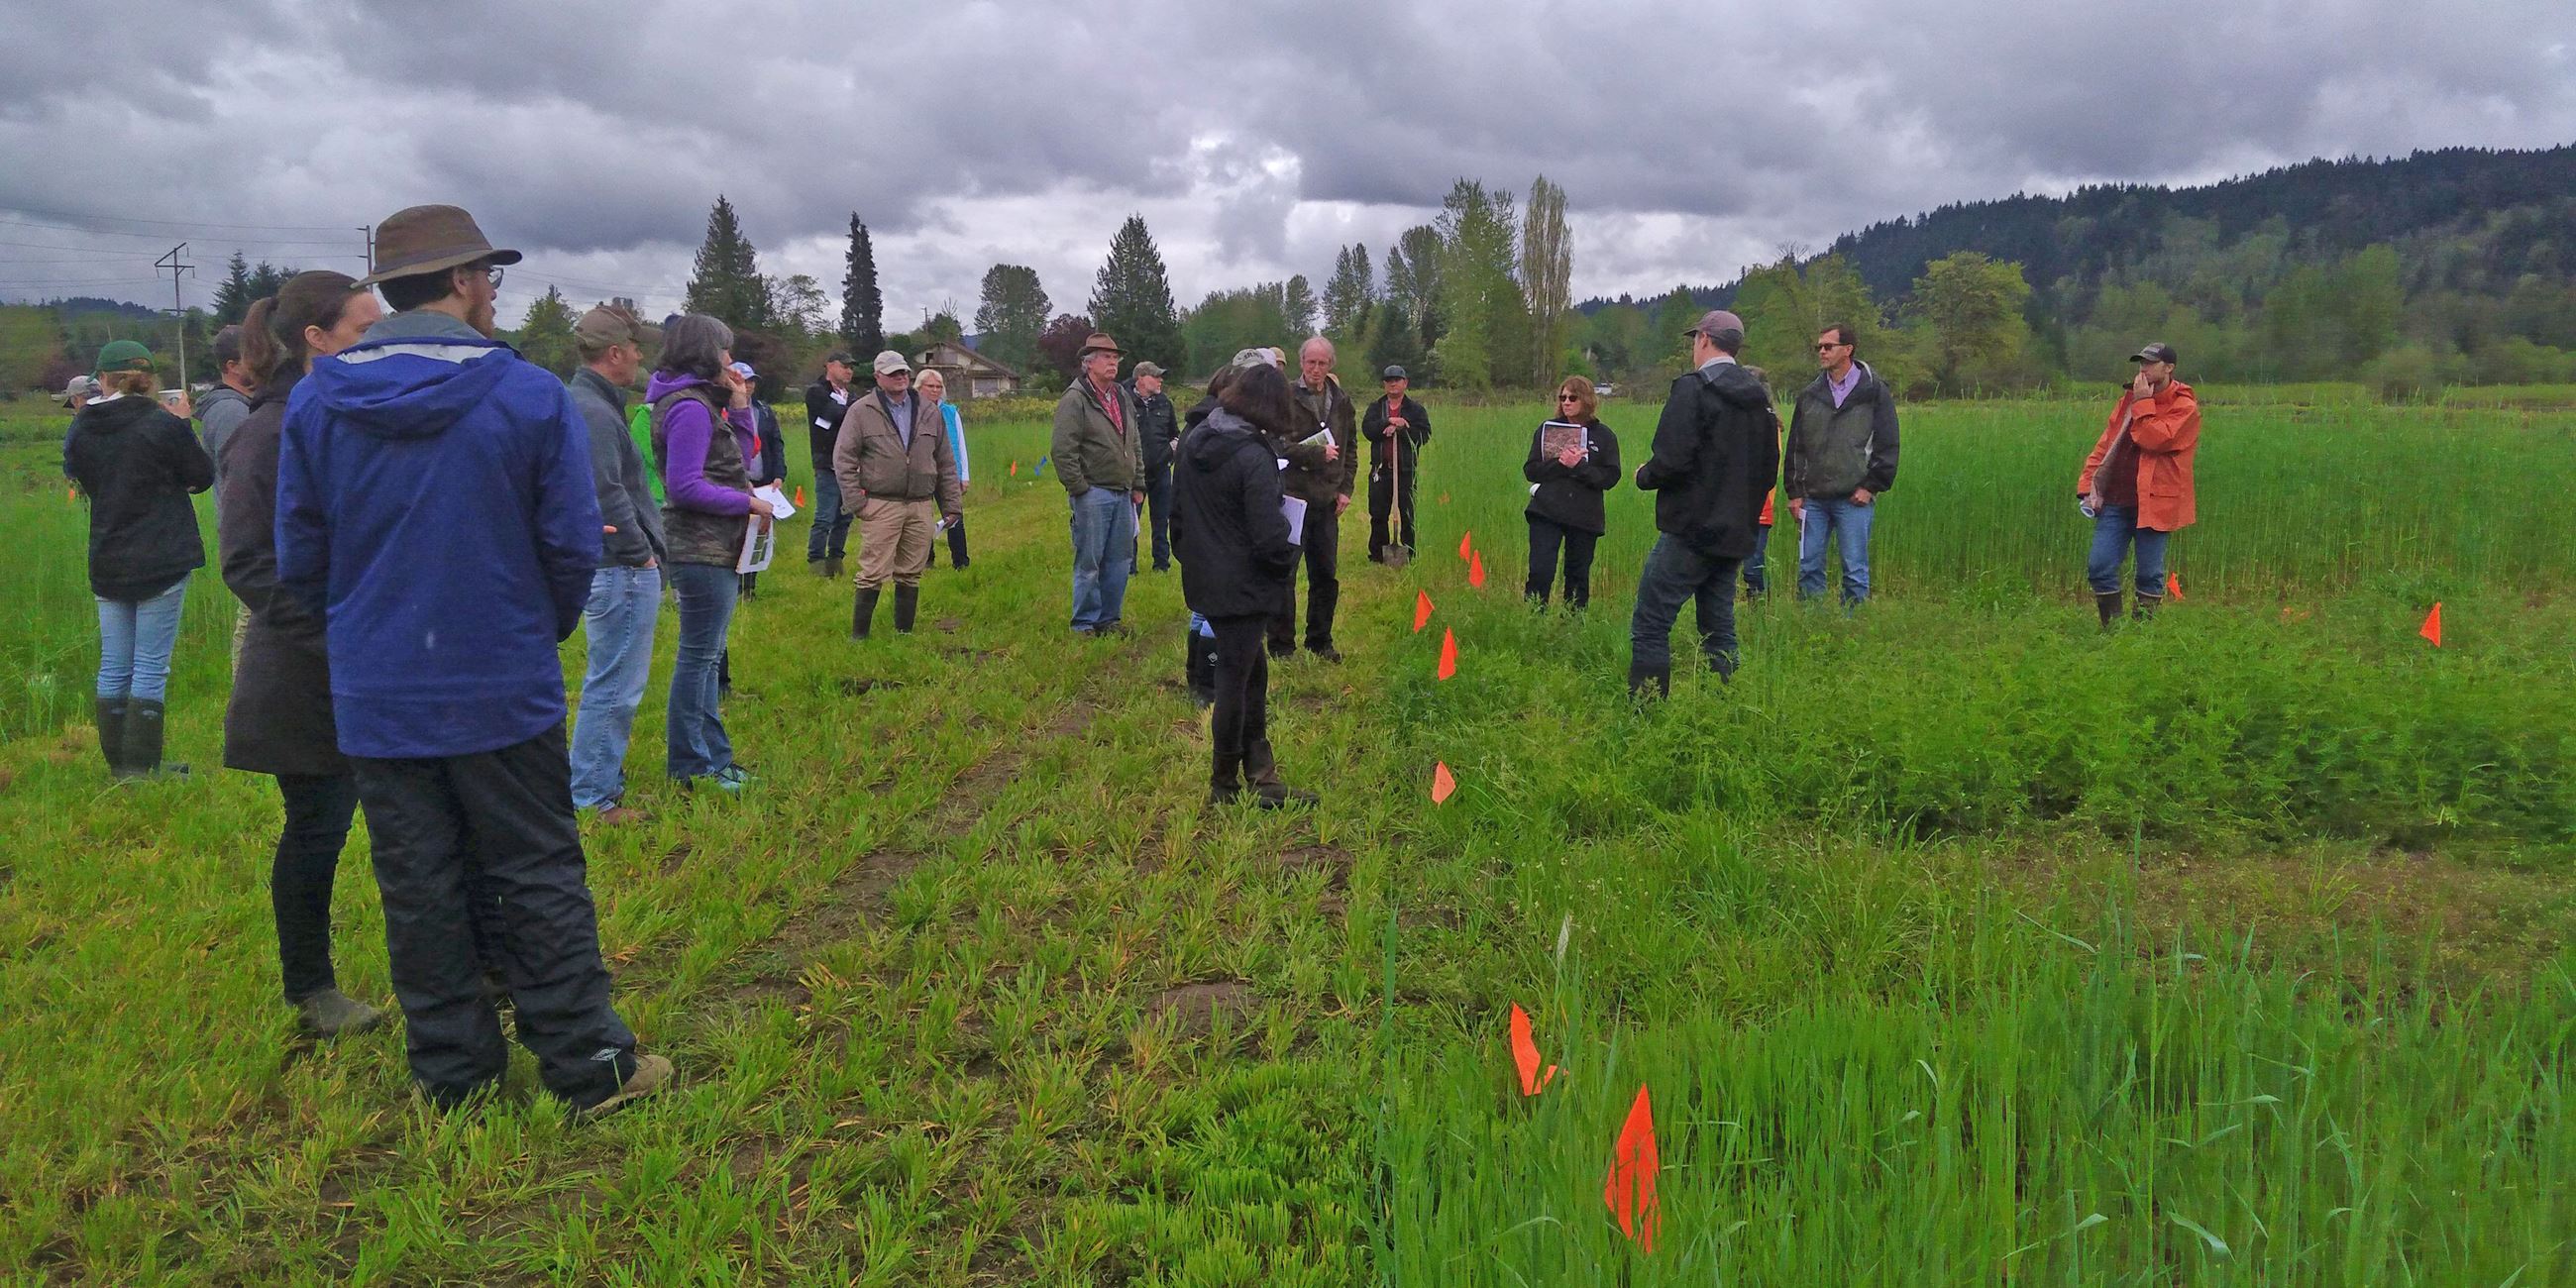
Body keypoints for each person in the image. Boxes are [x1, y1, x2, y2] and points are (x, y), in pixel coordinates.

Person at [277, 203, 666, 1113]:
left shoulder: (317, 399)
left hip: (377, 691)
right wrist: (533, 631)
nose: (494, 291)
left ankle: (453, 1077)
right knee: (534, 870)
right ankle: (587, 1065)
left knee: (417, 882)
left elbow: (301, 557)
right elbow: (572, 543)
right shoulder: (527, 394)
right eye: (489, 275)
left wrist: (365, 637)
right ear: (459, 281)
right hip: (502, 679)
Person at [218, 270, 389, 1036]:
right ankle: (311, 990)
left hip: (369, 658)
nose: (378, 340)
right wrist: (342, 638)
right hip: (303, 672)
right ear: (316, 339)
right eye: (362, 328)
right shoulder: (270, 430)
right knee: (318, 825)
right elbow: (249, 563)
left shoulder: (351, 414)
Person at [64, 339, 211, 780]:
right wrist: (183, 426)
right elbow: (201, 477)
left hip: (108, 555)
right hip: (161, 557)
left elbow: (78, 472)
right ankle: (141, 770)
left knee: (114, 662)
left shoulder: (82, 427)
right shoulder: (162, 425)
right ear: (149, 380)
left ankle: (119, 769)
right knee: (150, 665)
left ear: (103, 378)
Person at [1173, 360, 1315, 807]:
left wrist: (1196, 561)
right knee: (1235, 681)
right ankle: (1224, 785)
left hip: (1208, 579)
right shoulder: (1253, 455)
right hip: (1244, 585)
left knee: (1253, 673)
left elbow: (1177, 516)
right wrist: (1288, 557)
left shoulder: (1197, 439)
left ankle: (1260, 770)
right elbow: (1269, 534)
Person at [648, 314, 777, 787]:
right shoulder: (688, 408)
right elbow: (684, 487)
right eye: (724, 350)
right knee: (698, 659)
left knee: (705, 656)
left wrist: (740, 408)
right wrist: (748, 502)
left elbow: (732, 463)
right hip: (698, 549)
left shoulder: (704, 403)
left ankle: (712, 759)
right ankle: (692, 764)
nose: (730, 360)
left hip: (717, 547)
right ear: (705, 353)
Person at [1627, 310, 1781, 698]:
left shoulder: (1692, 389)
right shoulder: (1758, 399)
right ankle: (1728, 705)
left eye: (1694, 339)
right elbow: (1767, 471)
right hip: (1736, 535)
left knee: (1651, 623)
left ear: (1704, 340)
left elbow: (1672, 459)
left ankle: (1645, 713)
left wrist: (1645, 475)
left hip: (1690, 531)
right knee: (1719, 628)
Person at [565, 304, 666, 822]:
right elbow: (604, 491)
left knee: (614, 679)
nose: (641, 355)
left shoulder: (590, 403)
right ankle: (592, 795)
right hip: (619, 568)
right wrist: (640, 554)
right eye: (634, 347)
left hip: (615, 566)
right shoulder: (594, 412)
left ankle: (595, 780)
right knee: (616, 684)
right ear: (614, 354)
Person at [835, 350, 963, 637]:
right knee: (872, 571)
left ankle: (903, 632)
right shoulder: (862, 411)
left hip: (919, 504)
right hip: (881, 503)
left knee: (911, 570)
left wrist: (951, 505)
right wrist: (859, 504)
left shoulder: (930, 411)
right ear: (878, 377)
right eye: (893, 373)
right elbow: (843, 459)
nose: (900, 377)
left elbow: (944, 460)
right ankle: (860, 637)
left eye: (904, 372)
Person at [2079, 342, 2200, 625]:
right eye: (2140, 364)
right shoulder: (2129, 399)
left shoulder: (2185, 406)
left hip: (2156, 501)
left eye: (2150, 363)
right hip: (2116, 500)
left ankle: (2143, 635)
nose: (2143, 369)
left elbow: (2155, 439)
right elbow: (2107, 444)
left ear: (2169, 368)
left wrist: (2143, 403)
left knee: (2149, 574)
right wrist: (2088, 486)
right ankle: (2113, 630)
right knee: (2100, 566)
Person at [1783, 324, 1900, 606]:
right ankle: (1813, 622)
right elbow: (1796, 447)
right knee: (1809, 565)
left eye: (1828, 346)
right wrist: (1795, 492)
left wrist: (1871, 486)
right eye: (1819, 347)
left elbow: (1887, 442)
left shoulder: (1873, 391)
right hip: (1813, 498)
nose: (1822, 352)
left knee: (1854, 568)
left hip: (1854, 497)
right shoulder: (1810, 395)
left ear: (1847, 350)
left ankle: (1853, 626)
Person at [1051, 333, 1145, 636]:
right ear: (1088, 363)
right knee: (1090, 561)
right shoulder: (1075, 398)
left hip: (1122, 491)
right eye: (1106, 357)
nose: (1113, 363)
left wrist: (1138, 482)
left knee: (1120, 561)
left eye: (1115, 358)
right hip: (1093, 492)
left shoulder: (1120, 395)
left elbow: (1134, 441)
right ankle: (1084, 623)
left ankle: (1109, 619)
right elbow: (1063, 450)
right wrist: (1080, 488)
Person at [1276, 336, 1356, 661]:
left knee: (1325, 575)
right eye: (1311, 362)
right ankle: (1282, 646)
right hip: (1293, 499)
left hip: (1326, 502)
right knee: (1285, 574)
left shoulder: (1342, 400)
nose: (1316, 369)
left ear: (1331, 365)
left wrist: (1345, 489)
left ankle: (1320, 641)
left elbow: (1350, 449)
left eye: (1323, 363)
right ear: (1301, 363)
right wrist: (1315, 453)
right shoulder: (1285, 397)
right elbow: (1277, 445)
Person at [1524, 376, 1622, 607]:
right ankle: (1533, 620)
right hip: (1546, 510)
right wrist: (1561, 463)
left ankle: (1572, 626)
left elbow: (1610, 477)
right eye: (1563, 397)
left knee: (1577, 575)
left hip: (1584, 514)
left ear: (1586, 399)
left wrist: (1580, 468)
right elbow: (1531, 470)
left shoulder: (1604, 436)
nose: (1566, 402)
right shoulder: (1548, 429)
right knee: (1541, 570)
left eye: (1572, 397)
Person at [1361, 365, 1432, 563]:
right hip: (1381, 471)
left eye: (1397, 380)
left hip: (1405, 471)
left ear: (1405, 383)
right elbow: (1368, 430)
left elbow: (1423, 435)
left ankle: (1409, 552)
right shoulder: (1376, 408)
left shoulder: (1415, 410)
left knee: (1408, 514)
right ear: (1384, 384)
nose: (1393, 383)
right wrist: (1388, 422)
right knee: (1378, 514)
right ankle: (1377, 554)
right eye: (1388, 380)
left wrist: (1402, 428)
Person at [804, 353, 858, 577]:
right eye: (844, 366)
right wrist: (849, 414)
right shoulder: (816, 392)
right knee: (824, 516)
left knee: (845, 516)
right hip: (826, 463)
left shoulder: (852, 395)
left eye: (851, 367)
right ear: (829, 366)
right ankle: (816, 562)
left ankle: (836, 560)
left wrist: (846, 414)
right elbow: (834, 414)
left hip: (850, 464)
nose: (849, 371)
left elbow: (850, 418)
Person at [735, 361, 786, 601]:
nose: (749, 385)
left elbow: (776, 443)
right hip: (735, 483)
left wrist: (779, 473)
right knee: (736, 535)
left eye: (752, 380)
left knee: (758, 534)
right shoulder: (721, 410)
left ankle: (749, 587)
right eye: (744, 380)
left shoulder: (764, 410)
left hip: (763, 481)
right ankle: (733, 586)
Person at [1126, 361, 1180, 572]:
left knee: (1161, 521)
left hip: (1161, 472)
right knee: (1132, 524)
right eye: (1155, 376)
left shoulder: (1164, 402)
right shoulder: (1125, 401)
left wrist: (1170, 451)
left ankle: (1161, 565)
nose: (1160, 380)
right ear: (1140, 378)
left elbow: (1174, 433)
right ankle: (1130, 568)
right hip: (1134, 473)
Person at [919, 369, 974, 569]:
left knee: (954, 516)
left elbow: (960, 444)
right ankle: (927, 560)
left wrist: (964, 475)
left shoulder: (951, 412)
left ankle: (960, 561)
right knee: (922, 518)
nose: (935, 390)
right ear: (920, 388)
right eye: (930, 386)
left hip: (948, 473)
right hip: (923, 472)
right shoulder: (913, 411)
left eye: (938, 386)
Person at [198, 325, 256, 482]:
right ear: (233, 366)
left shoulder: (234, 406)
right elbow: (241, 480)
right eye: (255, 355)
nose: (264, 361)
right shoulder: (232, 412)